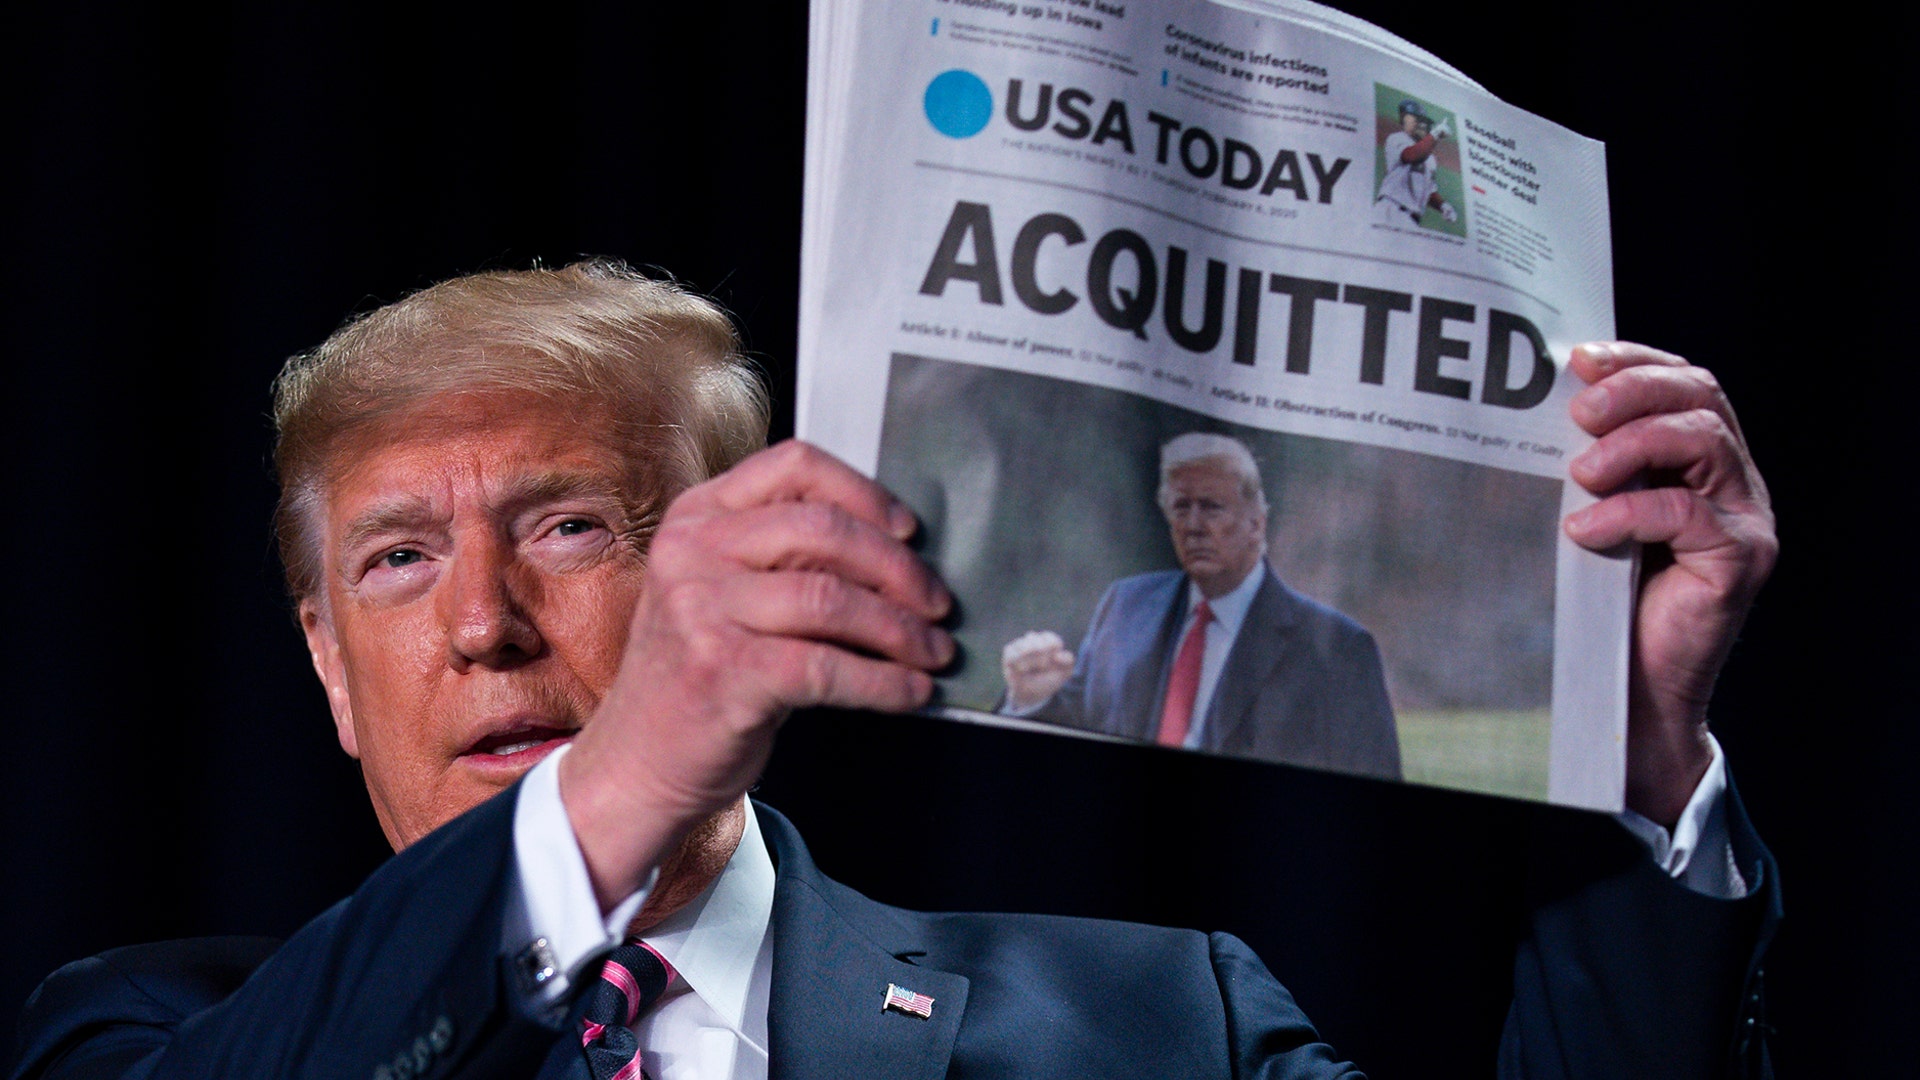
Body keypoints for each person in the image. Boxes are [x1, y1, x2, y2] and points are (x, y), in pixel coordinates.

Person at [10, 262, 1778, 1079]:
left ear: (757, 559)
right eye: (400, 561)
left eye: (568, 529)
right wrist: (610, 792)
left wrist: (1628, 758)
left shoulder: (1163, 1031)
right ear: (327, 667)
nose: (481, 624)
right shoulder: (137, 1038)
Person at [997, 433, 1400, 779]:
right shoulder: (1126, 606)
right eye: (1180, 507)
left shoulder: (1338, 649)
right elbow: (1074, 729)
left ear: (1256, 524)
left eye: (1211, 507)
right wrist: (1032, 701)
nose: (1193, 526)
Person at [1376, 98, 1459, 229]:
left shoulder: (1430, 158)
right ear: (1404, 120)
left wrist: (1443, 205)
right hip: (1391, 210)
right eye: (1416, 119)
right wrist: (1435, 134)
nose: (1421, 124)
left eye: (1423, 121)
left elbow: (1429, 189)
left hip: (1412, 220)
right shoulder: (1398, 138)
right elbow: (1411, 156)